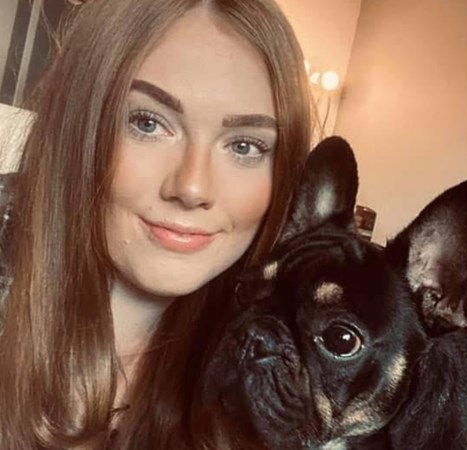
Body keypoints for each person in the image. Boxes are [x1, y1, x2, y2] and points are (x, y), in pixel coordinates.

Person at [0, 0, 312, 448]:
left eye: (244, 146)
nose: (192, 187)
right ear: (78, 123)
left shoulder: (270, 390)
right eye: (147, 123)